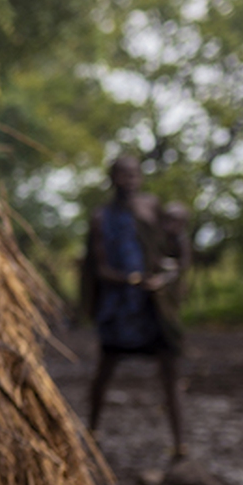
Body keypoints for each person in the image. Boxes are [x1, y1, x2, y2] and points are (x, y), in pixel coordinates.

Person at [84, 155, 188, 462]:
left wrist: (164, 278)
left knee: (170, 371)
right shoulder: (101, 217)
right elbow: (100, 268)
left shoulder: (151, 207)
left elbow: (173, 247)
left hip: (151, 306)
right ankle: (92, 433)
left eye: (134, 175)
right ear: (112, 178)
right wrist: (130, 280)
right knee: (105, 370)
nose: (129, 180)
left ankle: (181, 445)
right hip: (119, 308)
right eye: (122, 175)